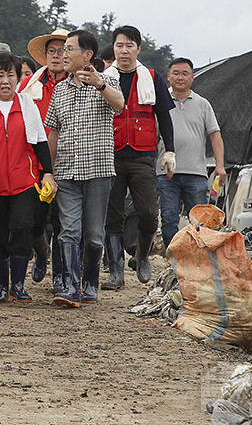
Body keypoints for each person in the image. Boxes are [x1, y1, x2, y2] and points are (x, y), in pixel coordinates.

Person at [0, 52, 57, 304]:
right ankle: (0, 287)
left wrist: (47, 173)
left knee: (22, 227)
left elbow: (40, 143)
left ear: (18, 78)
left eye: (10, 75)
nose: (5, 80)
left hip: (23, 182)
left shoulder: (28, 108)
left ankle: (18, 284)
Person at [44, 29, 124, 308]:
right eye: (62, 50)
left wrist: (99, 84)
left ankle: (89, 282)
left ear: (87, 55)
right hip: (66, 172)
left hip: (98, 171)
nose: (63, 55)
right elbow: (52, 132)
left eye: (69, 49)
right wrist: (49, 171)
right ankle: (69, 286)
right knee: (68, 230)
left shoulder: (109, 80)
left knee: (93, 233)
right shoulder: (59, 89)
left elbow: (120, 105)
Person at [102, 25, 175, 289]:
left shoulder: (151, 78)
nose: (124, 50)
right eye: (119, 45)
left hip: (142, 155)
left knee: (146, 212)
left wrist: (169, 150)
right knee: (113, 214)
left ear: (138, 49)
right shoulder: (103, 78)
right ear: (114, 48)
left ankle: (142, 256)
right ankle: (115, 271)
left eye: (129, 45)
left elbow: (164, 116)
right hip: (109, 154)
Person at [19, 28, 70, 291]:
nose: (56, 56)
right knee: (34, 219)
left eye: (62, 51)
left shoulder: (79, 83)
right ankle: (41, 253)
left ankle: (61, 275)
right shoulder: (29, 86)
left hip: (69, 162)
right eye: (51, 51)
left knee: (63, 222)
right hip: (36, 164)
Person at [156, 58, 226, 248]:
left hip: (195, 173)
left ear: (192, 77)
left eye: (185, 73)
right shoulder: (159, 104)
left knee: (199, 221)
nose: (180, 77)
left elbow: (215, 135)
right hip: (166, 173)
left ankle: (199, 257)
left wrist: (220, 165)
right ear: (168, 77)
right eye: (176, 73)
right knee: (169, 219)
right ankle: (174, 260)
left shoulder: (202, 104)